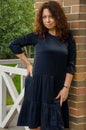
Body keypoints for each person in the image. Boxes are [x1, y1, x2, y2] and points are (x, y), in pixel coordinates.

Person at [9, 1, 76, 130]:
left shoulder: (67, 38)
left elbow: (70, 64)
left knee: (55, 125)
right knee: (35, 125)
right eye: (44, 17)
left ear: (58, 17)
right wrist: (28, 64)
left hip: (56, 87)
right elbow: (13, 45)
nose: (47, 20)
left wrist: (66, 88)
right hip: (37, 84)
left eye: (51, 16)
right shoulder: (38, 36)